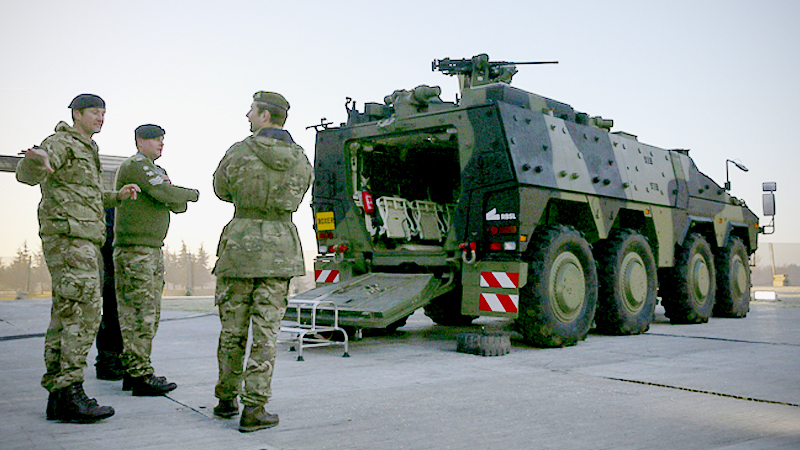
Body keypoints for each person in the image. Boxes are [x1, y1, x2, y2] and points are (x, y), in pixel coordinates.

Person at [15, 93, 141, 423]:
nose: (101, 118)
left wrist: (118, 196)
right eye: (94, 112)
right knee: (84, 313)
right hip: (70, 238)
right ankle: (70, 389)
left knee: (67, 312)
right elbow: (29, 175)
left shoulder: (88, 149)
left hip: (83, 237)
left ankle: (60, 394)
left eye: (103, 113)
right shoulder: (60, 142)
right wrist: (34, 160)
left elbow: (88, 194)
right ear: (76, 114)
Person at [212, 91, 312, 432]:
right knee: (266, 333)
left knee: (232, 329)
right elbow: (299, 194)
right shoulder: (300, 159)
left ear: (265, 116)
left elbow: (221, 189)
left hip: (241, 246)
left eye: (252, 111)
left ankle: (227, 398)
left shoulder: (239, 151)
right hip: (280, 249)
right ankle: (255, 408)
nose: (247, 116)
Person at [113, 124, 199, 396]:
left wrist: (174, 195)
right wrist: (191, 193)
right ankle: (140, 374)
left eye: (163, 139)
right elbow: (166, 195)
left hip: (150, 249)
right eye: (155, 139)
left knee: (149, 312)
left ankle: (134, 369)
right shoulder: (137, 165)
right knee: (140, 312)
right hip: (135, 250)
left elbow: (176, 204)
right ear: (140, 141)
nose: (161, 144)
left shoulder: (157, 171)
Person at [95, 207, 125, 381]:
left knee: (116, 308)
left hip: (116, 242)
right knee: (113, 307)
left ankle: (114, 358)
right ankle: (108, 360)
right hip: (115, 247)